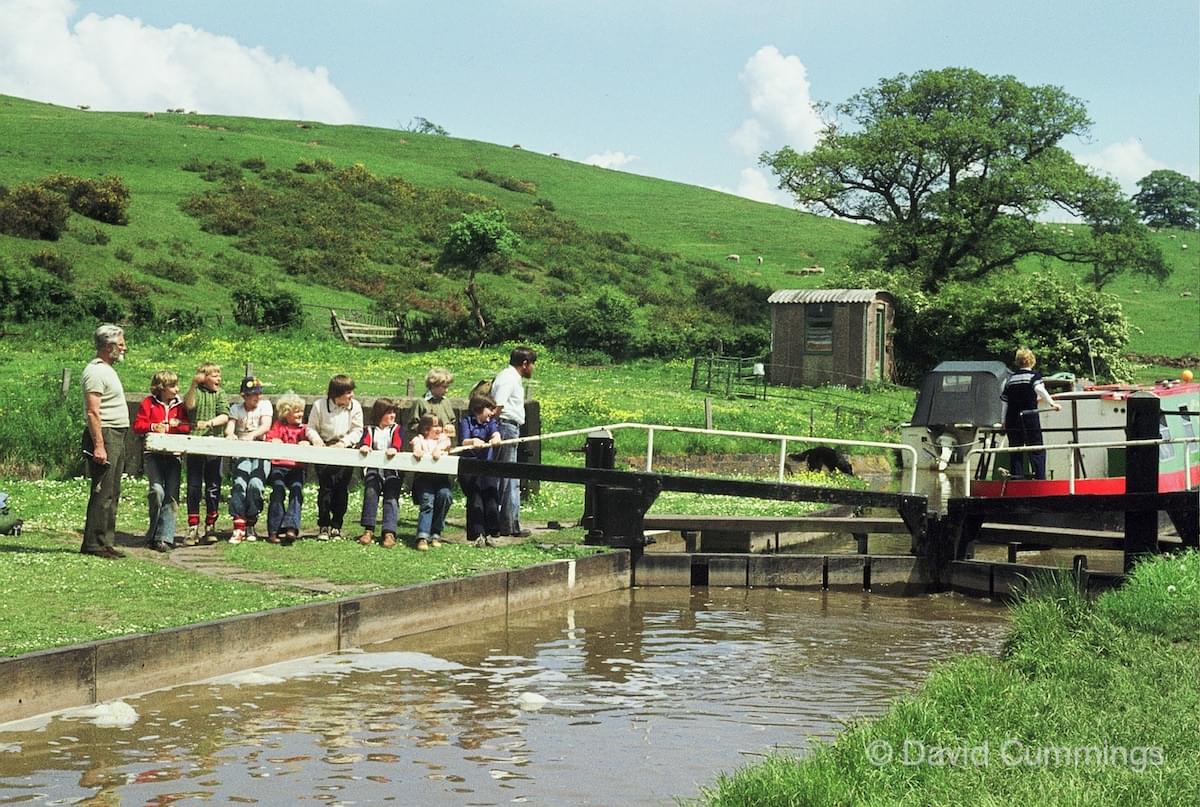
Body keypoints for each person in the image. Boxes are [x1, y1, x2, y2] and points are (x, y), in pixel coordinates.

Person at [80, 324, 129, 559]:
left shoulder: (108, 370)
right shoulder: (96, 372)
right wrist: (99, 445)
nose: (124, 348)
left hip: (116, 433)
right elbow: (93, 412)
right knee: (102, 490)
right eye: (121, 344)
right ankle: (93, 543)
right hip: (106, 434)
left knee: (112, 490)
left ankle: (106, 541)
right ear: (109, 346)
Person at [132, 370, 190, 553]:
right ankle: (153, 533)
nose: (177, 389)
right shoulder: (148, 403)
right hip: (153, 454)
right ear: (161, 388)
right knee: (157, 491)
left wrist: (178, 424)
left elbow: (187, 427)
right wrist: (153, 426)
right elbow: (138, 426)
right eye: (172, 386)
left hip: (173, 454)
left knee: (171, 495)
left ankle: (165, 537)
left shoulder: (180, 406)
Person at [307, 374, 363, 540]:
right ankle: (323, 525)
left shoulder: (355, 407)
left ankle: (337, 525)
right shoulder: (319, 405)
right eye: (348, 392)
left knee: (341, 488)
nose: (352, 395)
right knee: (326, 488)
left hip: (345, 450)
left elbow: (357, 430)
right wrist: (317, 441)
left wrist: (344, 443)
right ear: (337, 393)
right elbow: (311, 428)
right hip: (324, 449)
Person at [490, 347, 536, 537]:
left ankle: (510, 521)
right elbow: (497, 405)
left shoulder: (512, 378)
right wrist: (494, 429)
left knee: (510, 476)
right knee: (508, 476)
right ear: (525, 364)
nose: (533, 368)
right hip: (506, 427)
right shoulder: (508, 378)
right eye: (532, 364)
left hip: (510, 427)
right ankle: (507, 524)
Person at [183, 363, 230, 545]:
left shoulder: (220, 394)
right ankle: (193, 526)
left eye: (219, 375)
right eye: (214, 375)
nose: (219, 379)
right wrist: (193, 384)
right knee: (194, 485)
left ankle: (210, 525)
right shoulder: (196, 392)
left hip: (214, 444)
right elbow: (189, 405)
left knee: (213, 485)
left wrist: (209, 423)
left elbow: (224, 415)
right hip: (195, 444)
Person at [1000, 347, 1062, 480]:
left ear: (1017, 362)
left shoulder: (1010, 379)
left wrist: (1003, 421)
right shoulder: (1034, 376)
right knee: (1036, 448)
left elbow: (1004, 402)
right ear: (1032, 361)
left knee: (1015, 449)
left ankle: (1017, 480)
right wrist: (1052, 403)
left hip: (1012, 419)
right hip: (1029, 417)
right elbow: (1039, 389)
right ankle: (1039, 479)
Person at [225, 376, 273, 544]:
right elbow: (230, 428)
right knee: (240, 483)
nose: (257, 397)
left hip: (260, 450)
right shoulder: (236, 409)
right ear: (244, 395)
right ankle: (238, 524)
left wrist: (252, 435)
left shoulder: (265, 406)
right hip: (242, 452)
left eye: (258, 393)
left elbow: (265, 426)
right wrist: (230, 435)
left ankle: (251, 521)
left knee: (255, 484)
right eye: (253, 394)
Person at [264, 393, 318, 544]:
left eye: (301, 411)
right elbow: (270, 438)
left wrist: (307, 443)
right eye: (296, 411)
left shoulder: (304, 429)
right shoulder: (279, 426)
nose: (300, 414)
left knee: (296, 490)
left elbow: (310, 439)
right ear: (286, 413)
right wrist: (274, 440)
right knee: (278, 490)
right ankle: (274, 529)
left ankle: (291, 526)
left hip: (296, 467)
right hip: (279, 466)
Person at [357, 398, 404, 549]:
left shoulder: (396, 429)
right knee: (371, 492)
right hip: (374, 468)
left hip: (392, 469)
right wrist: (365, 446)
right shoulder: (370, 429)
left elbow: (398, 441)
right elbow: (365, 441)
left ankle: (389, 532)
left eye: (393, 412)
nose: (392, 416)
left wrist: (394, 448)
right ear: (379, 414)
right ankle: (368, 529)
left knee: (391, 497)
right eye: (388, 413)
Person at [458, 394, 503, 546]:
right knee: (475, 499)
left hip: (487, 466)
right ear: (479, 409)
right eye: (489, 409)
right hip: (469, 467)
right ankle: (477, 534)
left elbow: (495, 433)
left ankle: (491, 533)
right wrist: (473, 441)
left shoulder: (490, 423)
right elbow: (464, 440)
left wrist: (496, 438)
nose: (492, 413)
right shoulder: (466, 422)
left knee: (491, 496)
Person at [411, 413, 453, 551]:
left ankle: (436, 532)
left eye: (440, 425)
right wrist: (417, 450)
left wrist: (438, 449)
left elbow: (446, 443)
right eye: (435, 426)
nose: (439, 429)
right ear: (425, 429)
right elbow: (415, 445)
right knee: (427, 501)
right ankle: (422, 536)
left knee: (445, 496)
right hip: (424, 478)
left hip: (441, 478)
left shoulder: (443, 440)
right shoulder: (420, 439)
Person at [407, 367, 457, 445]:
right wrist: (429, 429)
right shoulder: (421, 403)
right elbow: (412, 427)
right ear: (434, 385)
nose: (446, 390)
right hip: (426, 445)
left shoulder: (446, 402)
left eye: (447, 387)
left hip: (445, 444)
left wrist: (450, 427)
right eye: (444, 387)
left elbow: (452, 421)